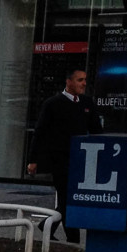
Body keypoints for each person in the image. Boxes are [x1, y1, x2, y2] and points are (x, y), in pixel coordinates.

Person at [26, 68, 103, 243]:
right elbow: (40, 131)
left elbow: (97, 130)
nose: (83, 83)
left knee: (69, 200)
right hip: (60, 160)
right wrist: (33, 159)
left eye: (85, 80)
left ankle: (48, 225)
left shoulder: (86, 103)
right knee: (67, 199)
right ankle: (72, 239)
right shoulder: (53, 104)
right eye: (79, 80)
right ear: (68, 82)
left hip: (81, 160)